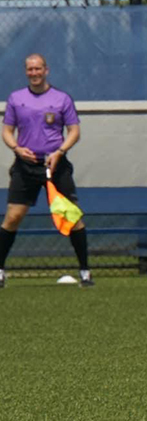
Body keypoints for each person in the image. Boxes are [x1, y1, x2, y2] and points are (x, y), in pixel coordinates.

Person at [0, 53, 93, 288]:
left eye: (38, 69)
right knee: (12, 217)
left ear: (46, 70)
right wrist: (17, 148)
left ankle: (85, 273)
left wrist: (59, 151)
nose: (34, 73)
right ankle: (0, 271)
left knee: (72, 217)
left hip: (56, 166)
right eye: (30, 69)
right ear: (26, 72)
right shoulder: (16, 99)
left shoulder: (61, 99)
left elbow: (74, 132)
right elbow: (7, 131)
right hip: (25, 168)